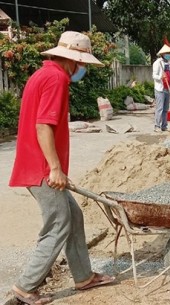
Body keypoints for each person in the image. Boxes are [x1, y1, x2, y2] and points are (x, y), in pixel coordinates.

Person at [8, 31, 115, 305]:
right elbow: (43, 125)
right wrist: (55, 168)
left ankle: (83, 276)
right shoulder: (56, 78)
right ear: (73, 60)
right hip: (42, 169)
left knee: (73, 215)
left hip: (39, 165)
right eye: (83, 65)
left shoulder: (43, 74)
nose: (84, 70)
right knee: (58, 224)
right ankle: (25, 287)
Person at [153, 44, 170, 132]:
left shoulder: (168, 63)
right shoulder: (157, 63)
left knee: (166, 109)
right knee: (160, 108)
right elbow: (154, 75)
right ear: (163, 54)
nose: (169, 55)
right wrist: (160, 77)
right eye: (168, 53)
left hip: (167, 89)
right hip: (160, 89)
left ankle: (164, 126)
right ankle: (157, 126)